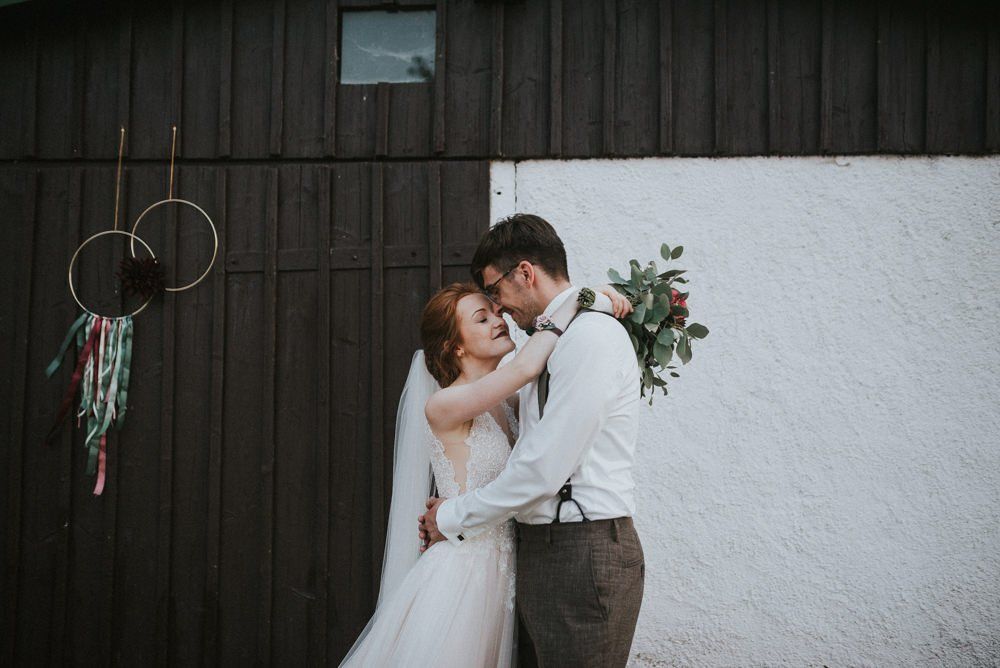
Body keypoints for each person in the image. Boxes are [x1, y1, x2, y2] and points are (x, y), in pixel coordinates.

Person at [339, 273, 632, 667]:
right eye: (482, 318)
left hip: (513, 569)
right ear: (455, 347)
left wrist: (600, 304)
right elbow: (527, 366)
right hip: (464, 573)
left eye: (496, 312)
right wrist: (578, 299)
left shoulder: (511, 402)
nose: (499, 320)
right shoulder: (444, 405)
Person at [419, 213, 646, 667]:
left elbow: (542, 471)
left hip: (580, 549)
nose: (500, 311)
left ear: (524, 273)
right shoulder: (552, 343)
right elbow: (525, 377)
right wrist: (586, 299)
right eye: (484, 312)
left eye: (495, 293)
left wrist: (451, 516)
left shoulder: (588, 338)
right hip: (532, 555)